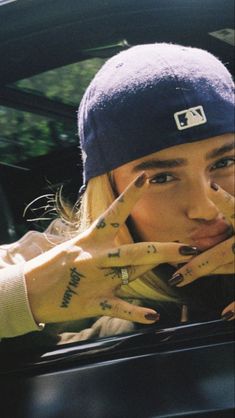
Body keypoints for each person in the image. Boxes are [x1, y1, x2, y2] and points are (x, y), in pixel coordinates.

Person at [0, 43, 234, 344]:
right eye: (162, 177)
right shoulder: (66, 250)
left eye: (225, 162)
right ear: (108, 192)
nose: (203, 208)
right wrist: (25, 295)